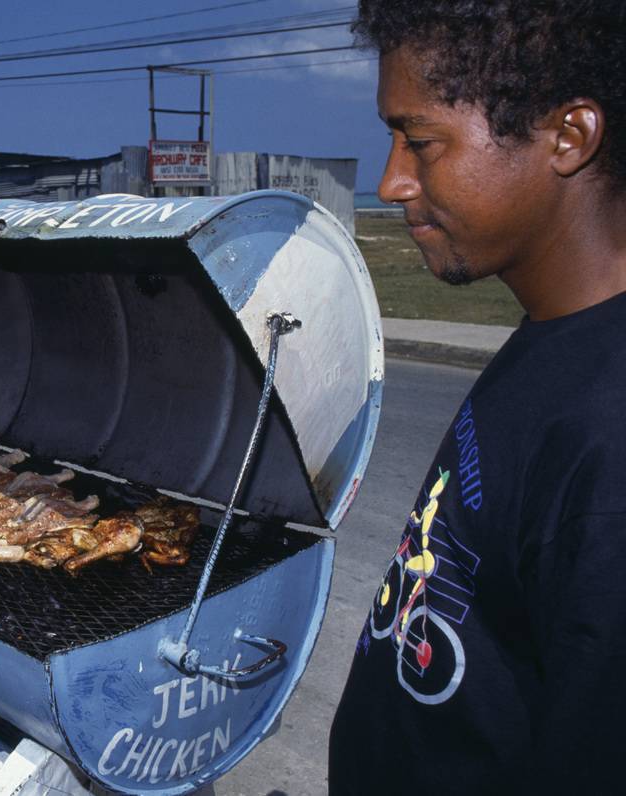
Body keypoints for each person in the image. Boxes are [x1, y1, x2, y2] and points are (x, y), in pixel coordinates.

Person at [329, 2, 626, 793]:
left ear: (569, 137)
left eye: (420, 142)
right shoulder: (551, 335)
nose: (392, 179)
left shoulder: (610, 434)